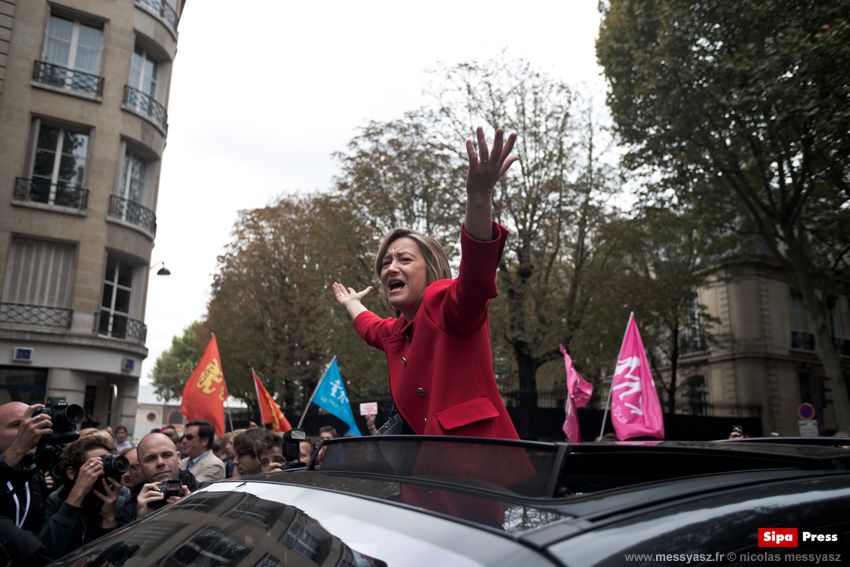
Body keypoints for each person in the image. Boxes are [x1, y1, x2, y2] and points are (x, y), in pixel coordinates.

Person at [332, 127, 520, 439]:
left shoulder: (446, 305)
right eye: (386, 262)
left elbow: (475, 280)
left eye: (404, 259)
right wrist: (352, 304)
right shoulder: (398, 331)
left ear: (431, 268)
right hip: (427, 477)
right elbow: (370, 328)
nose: (391, 268)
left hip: (480, 474)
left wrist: (478, 197)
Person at [39, 436, 124, 559]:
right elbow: (46, 552)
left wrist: (109, 519)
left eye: (107, 464)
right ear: (72, 473)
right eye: (94, 466)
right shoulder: (55, 501)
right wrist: (77, 494)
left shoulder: (118, 502)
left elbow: (114, 558)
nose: (102, 472)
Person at [116, 432, 198, 526]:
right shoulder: (130, 508)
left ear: (178, 458)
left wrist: (194, 513)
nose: (160, 462)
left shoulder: (204, 492)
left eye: (166, 455)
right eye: (150, 458)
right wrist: (140, 520)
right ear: (139, 468)